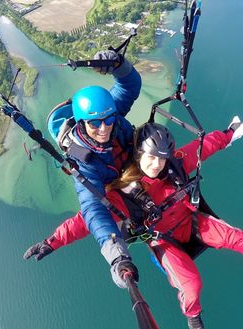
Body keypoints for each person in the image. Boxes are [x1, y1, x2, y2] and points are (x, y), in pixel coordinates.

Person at [25, 120, 243, 329]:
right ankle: (193, 318)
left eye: (162, 158)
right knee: (191, 285)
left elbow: (203, 147)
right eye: (151, 158)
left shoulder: (175, 164)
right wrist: (52, 242)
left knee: (237, 237)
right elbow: (85, 220)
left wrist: (230, 133)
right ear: (139, 153)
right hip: (164, 239)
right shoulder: (121, 194)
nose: (157, 164)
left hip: (192, 222)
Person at [59, 49, 143, 289]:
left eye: (108, 119)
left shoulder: (112, 115)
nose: (104, 128)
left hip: (132, 169)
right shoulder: (83, 159)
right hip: (113, 183)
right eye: (94, 123)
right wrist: (117, 255)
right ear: (83, 122)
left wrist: (118, 64)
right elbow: (92, 208)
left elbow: (130, 85)